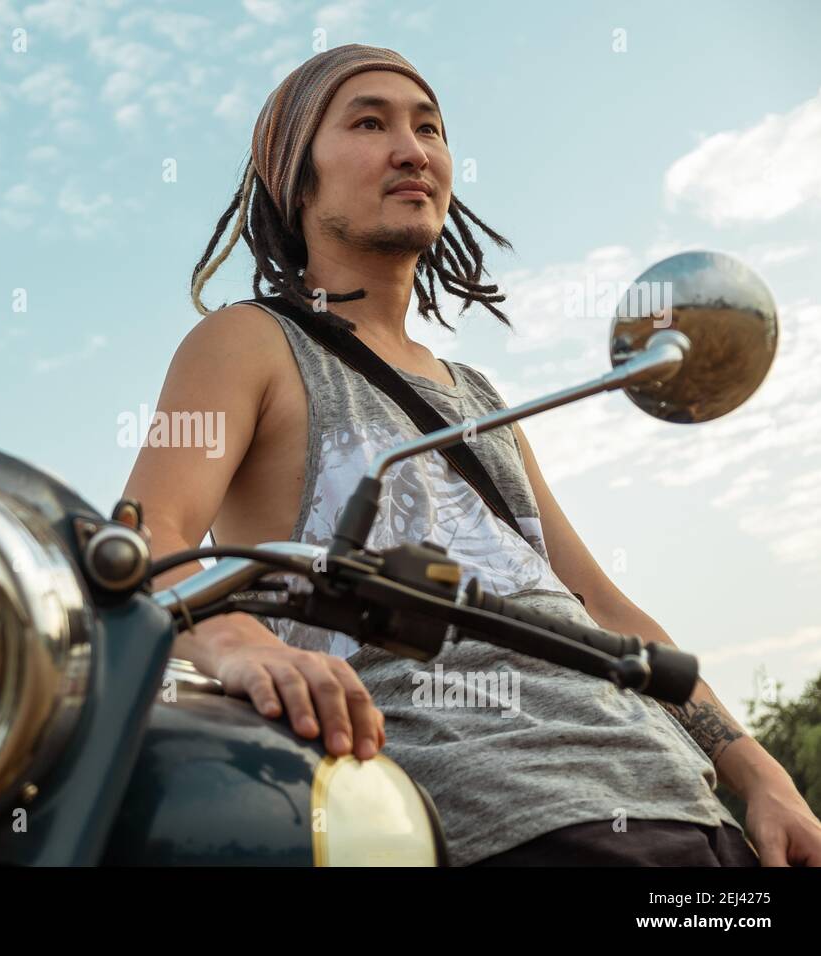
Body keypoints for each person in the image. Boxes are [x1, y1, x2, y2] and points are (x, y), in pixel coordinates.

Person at [121, 44, 821, 866]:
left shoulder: (483, 397)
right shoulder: (247, 342)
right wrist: (240, 643)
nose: (413, 149)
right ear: (296, 177)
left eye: (430, 128)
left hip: (681, 802)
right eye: (369, 122)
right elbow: (142, 538)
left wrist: (758, 771)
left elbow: (601, 605)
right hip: (494, 816)